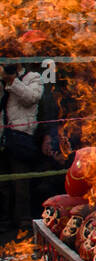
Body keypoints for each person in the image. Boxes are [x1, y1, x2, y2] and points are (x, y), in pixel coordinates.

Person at [2, 62, 45, 230]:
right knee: (3, 184)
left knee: (21, 183)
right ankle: (4, 221)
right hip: (3, 136)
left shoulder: (33, 77)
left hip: (20, 136)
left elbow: (31, 98)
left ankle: (23, 222)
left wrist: (12, 80)